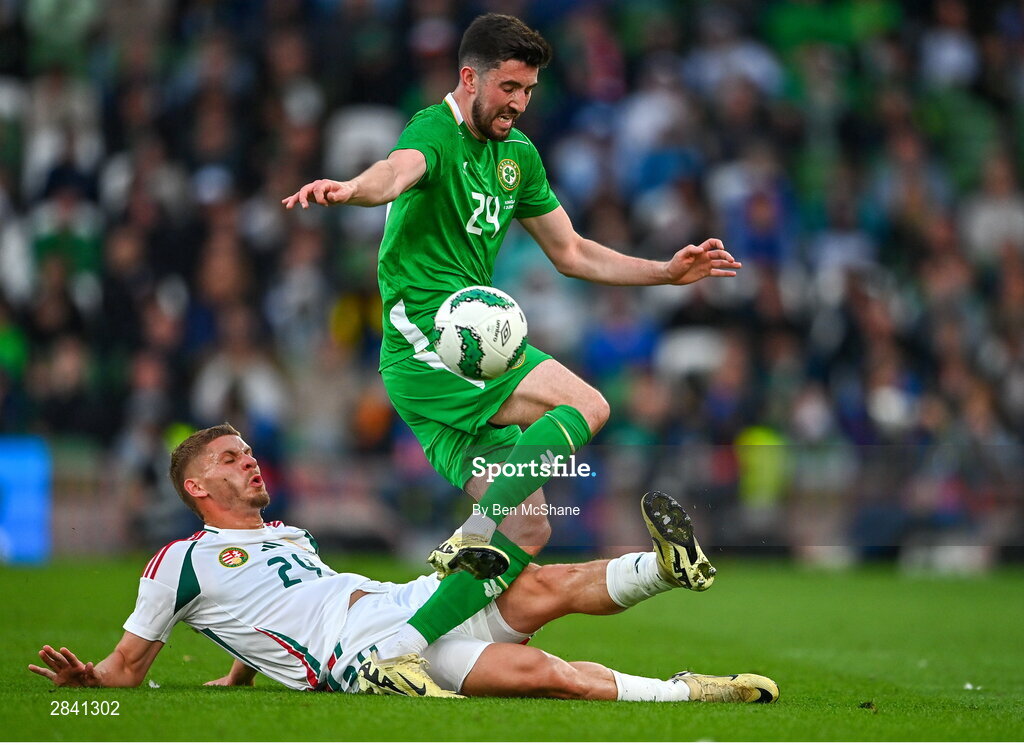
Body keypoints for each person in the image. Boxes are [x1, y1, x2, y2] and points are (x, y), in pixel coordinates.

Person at [282, 13, 738, 686]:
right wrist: (352, 191)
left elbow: (573, 251)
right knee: (588, 405)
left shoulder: (517, 156)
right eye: (510, 87)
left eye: (529, 90)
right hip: (432, 341)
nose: (519, 103)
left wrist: (664, 273)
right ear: (470, 78)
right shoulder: (432, 130)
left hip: (465, 353)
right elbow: (394, 170)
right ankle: (471, 532)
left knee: (527, 533)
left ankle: (397, 650)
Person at [28, 424, 778, 703]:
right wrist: (83, 687)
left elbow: (265, 615)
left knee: (539, 584)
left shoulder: (289, 535)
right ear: (197, 486)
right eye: (231, 458)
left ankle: (662, 570)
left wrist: (240, 668)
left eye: (251, 453)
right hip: (365, 650)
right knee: (544, 660)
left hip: (395, 605)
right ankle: (687, 691)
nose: (250, 463)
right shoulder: (175, 560)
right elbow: (127, 668)